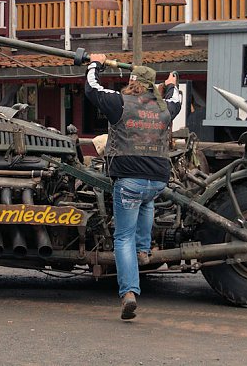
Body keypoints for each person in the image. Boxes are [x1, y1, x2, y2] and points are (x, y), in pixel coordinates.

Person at [84, 55, 182, 320]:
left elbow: (92, 88)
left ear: (132, 81)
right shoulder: (165, 107)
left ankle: (129, 292)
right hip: (157, 179)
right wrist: (171, 84)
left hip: (129, 179)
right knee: (147, 201)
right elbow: (176, 99)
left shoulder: (119, 103)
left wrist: (95, 64)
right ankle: (143, 250)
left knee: (122, 237)